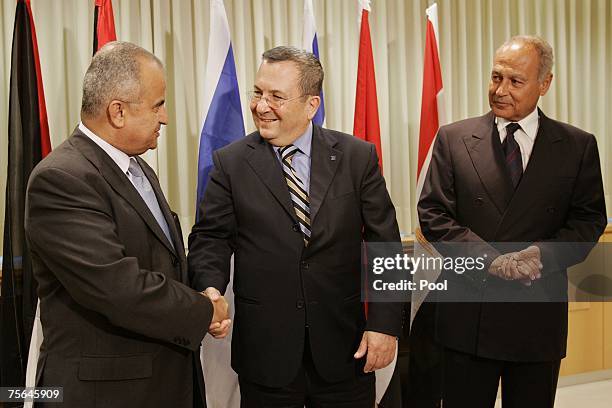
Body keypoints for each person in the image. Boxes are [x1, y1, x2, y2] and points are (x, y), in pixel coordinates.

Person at [188, 46, 402, 407]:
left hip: (344, 349)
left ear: (311, 106)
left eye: (277, 96)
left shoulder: (356, 157)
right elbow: (212, 238)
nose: (261, 105)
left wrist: (385, 324)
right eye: (258, 92)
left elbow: (386, 244)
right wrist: (210, 288)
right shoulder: (231, 163)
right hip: (265, 353)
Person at [24, 41, 229, 408]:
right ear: (117, 112)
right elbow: (117, 287)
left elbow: (164, 261)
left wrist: (205, 292)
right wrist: (203, 310)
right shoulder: (61, 178)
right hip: (106, 394)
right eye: (158, 105)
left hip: (163, 383)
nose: (165, 118)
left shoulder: (139, 169)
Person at [417, 35, 607, 407]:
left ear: (545, 84)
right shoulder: (453, 138)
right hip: (467, 317)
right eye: (495, 77)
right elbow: (433, 214)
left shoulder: (577, 145)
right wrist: (492, 261)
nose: (500, 90)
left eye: (515, 81)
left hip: (537, 315)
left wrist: (542, 255)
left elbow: (588, 220)